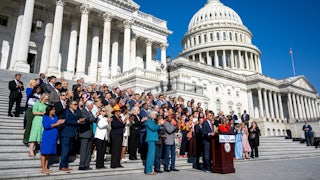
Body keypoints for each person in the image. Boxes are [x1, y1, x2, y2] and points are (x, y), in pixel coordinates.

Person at [59, 100, 84, 172]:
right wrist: (77, 121)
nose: (76, 106)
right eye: (75, 104)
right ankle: (62, 166)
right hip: (66, 134)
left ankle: (66, 165)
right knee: (65, 150)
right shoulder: (67, 112)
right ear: (70, 105)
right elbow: (67, 121)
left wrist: (80, 120)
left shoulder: (75, 112)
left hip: (72, 134)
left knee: (68, 150)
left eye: (76, 104)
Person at [40, 105, 65, 174]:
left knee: (48, 153)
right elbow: (46, 126)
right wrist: (57, 123)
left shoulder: (55, 117)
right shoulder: (45, 117)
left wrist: (60, 123)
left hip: (53, 136)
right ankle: (43, 168)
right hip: (47, 136)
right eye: (53, 109)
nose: (54, 111)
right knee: (44, 152)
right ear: (49, 110)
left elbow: (57, 126)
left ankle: (46, 167)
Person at [78, 100, 96, 170]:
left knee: (88, 150)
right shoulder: (83, 111)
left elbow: (93, 119)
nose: (92, 107)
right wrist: (92, 118)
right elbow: (88, 119)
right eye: (92, 105)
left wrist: (92, 118)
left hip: (90, 133)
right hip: (84, 133)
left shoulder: (90, 112)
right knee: (83, 150)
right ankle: (82, 165)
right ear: (88, 105)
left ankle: (86, 164)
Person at [145, 111, 164, 175]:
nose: (156, 116)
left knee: (152, 155)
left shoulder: (152, 121)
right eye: (155, 115)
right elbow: (153, 128)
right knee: (150, 155)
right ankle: (148, 170)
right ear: (152, 115)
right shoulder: (148, 121)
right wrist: (159, 124)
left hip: (153, 139)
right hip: (151, 139)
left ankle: (150, 169)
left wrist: (159, 124)